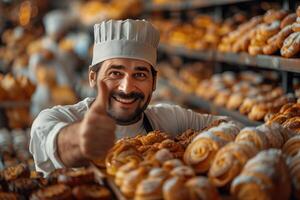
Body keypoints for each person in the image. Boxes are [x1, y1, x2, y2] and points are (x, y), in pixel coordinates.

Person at [29, 19, 229, 176]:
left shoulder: (172, 119)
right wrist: (79, 140)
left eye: (140, 75)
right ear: (92, 77)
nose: (126, 88)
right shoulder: (59, 118)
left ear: (154, 81)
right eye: (115, 73)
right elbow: (48, 139)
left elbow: (230, 128)